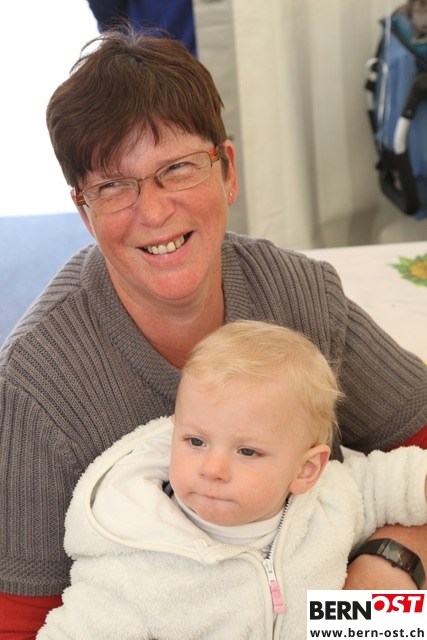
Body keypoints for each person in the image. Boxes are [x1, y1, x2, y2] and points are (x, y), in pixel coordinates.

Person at [1, 28, 427, 637]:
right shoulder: (34, 388)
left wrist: (390, 568)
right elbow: (21, 625)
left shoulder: (299, 294)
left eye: (177, 168)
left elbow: (411, 474)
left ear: (227, 170)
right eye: (114, 185)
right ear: (84, 212)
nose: (153, 211)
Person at [36, 321, 427, 639]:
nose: (212, 469)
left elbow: (396, 480)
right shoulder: (135, 564)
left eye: (247, 452)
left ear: (305, 470)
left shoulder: (330, 499)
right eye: (195, 441)